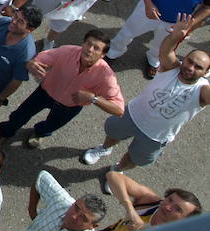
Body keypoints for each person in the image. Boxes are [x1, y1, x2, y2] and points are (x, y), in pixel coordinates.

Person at [82, 14, 210, 177]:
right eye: (189, 61)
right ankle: (104, 149)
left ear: (206, 73)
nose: (191, 68)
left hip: (156, 136)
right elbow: (166, 50)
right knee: (113, 133)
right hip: (133, 114)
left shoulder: (203, 91)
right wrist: (174, 36)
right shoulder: (171, 67)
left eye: (198, 67)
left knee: (136, 158)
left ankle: (117, 170)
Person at [0, 30, 125, 149]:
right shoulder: (67, 51)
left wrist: (94, 99)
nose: (90, 49)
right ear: (83, 43)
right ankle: (3, 133)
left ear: (103, 54)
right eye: (88, 44)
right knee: (20, 114)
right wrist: (32, 63)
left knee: (52, 124)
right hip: (45, 92)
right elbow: (41, 58)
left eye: (96, 48)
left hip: (70, 106)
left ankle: (40, 132)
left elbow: (119, 109)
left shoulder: (106, 75)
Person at [105, 0, 210, 78]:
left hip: (174, 23)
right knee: (127, 33)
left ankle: (153, 60)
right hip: (148, 11)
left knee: (162, 46)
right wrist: (148, 4)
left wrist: (190, 23)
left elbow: (207, 7)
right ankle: (113, 52)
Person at [0, 7, 42, 123]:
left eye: (20, 22)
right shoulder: (3, 22)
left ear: (30, 29)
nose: (14, 21)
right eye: (15, 16)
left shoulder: (25, 53)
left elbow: (16, 81)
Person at [100, 172, 202, 231]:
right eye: (170, 199)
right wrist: (130, 209)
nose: (167, 207)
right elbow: (113, 176)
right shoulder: (150, 203)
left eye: (178, 209)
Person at [23, 170, 107, 231]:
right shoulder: (61, 200)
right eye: (76, 208)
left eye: (83, 218)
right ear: (75, 202)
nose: (74, 216)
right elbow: (41, 178)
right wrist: (32, 210)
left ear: (92, 226)